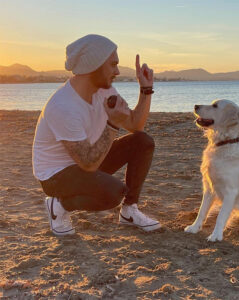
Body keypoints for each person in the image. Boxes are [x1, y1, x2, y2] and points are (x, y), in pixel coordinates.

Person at [32, 34, 161, 236]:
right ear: (93, 65)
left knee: (142, 141)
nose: (117, 71)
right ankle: (59, 205)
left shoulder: (104, 91)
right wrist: (112, 124)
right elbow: (88, 164)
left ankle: (129, 211)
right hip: (56, 175)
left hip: (88, 158)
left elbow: (136, 125)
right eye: (113, 65)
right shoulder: (63, 106)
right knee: (112, 193)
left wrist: (146, 89)